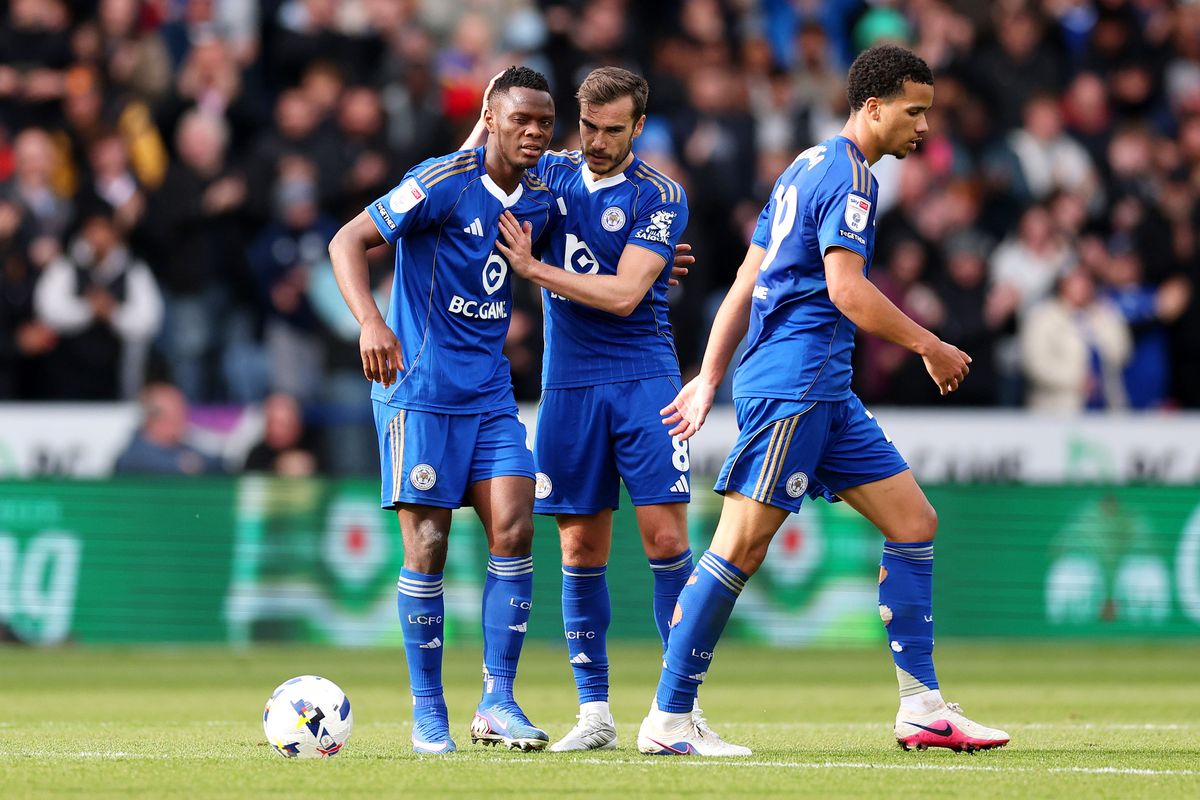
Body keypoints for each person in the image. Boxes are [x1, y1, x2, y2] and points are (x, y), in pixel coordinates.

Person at [636, 45, 1010, 757]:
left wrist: (712, 375)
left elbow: (749, 280)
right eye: (914, 111)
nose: (924, 127)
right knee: (740, 545)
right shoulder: (852, 180)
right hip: (795, 386)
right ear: (873, 107)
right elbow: (845, 290)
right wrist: (930, 344)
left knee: (913, 520)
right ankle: (669, 719)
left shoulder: (802, 168)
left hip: (824, 390)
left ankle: (922, 708)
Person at [470, 66, 707, 752]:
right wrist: (492, 103)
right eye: (588, 127)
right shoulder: (549, 174)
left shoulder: (661, 194)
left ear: (639, 126)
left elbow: (628, 294)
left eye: (613, 129)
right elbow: (472, 172)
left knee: (665, 540)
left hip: (644, 379)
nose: (597, 141)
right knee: (579, 547)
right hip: (569, 384)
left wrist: (535, 270)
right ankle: (594, 714)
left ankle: (678, 711)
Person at [327, 66, 559, 755]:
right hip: (419, 391)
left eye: (544, 122)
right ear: (491, 117)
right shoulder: (438, 182)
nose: (534, 132)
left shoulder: (542, 197)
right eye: (520, 119)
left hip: (489, 394)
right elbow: (346, 240)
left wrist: (648, 262)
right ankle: (428, 713)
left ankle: (497, 701)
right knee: (427, 546)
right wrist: (370, 322)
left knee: (515, 529)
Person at [113, 382, 224, 475]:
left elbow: (216, 463)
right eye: (177, 415)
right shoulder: (134, 456)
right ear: (156, 419)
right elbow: (166, 466)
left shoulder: (182, 447)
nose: (183, 421)